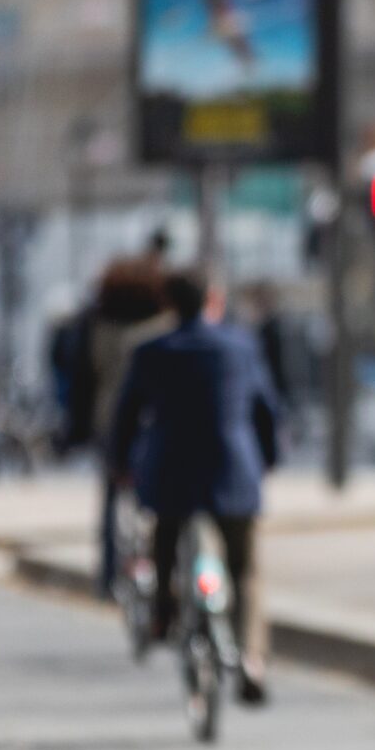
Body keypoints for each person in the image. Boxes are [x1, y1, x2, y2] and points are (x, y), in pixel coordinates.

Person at [107, 269, 283, 705]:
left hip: (171, 474)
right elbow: (266, 410)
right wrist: (268, 459)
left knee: (164, 543)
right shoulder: (241, 346)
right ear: (213, 300)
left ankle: (163, 616)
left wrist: (120, 465)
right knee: (244, 568)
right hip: (233, 470)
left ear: (170, 305)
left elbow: (125, 417)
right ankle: (252, 659)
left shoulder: (150, 350)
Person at [85, 256, 175, 596]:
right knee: (163, 495)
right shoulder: (164, 325)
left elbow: (86, 374)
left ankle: (109, 575)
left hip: (110, 417)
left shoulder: (100, 326)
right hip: (153, 417)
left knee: (112, 498)